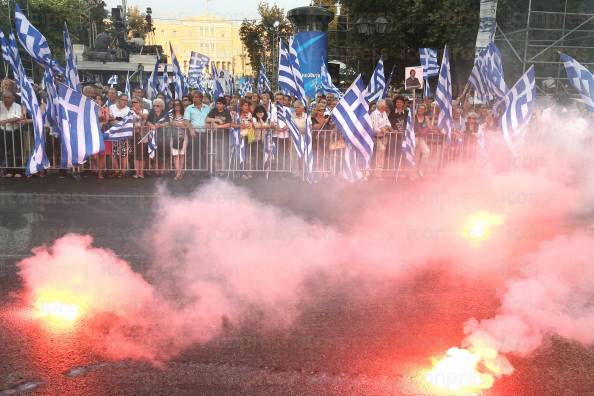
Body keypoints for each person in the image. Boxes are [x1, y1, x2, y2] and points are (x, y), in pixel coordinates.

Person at [184, 92, 210, 170]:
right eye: (193, 97)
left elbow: (210, 118)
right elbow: (186, 121)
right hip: (194, 133)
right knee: (194, 152)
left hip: (205, 133)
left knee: (205, 152)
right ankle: (195, 170)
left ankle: (205, 169)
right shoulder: (189, 108)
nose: (194, 99)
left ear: (201, 98)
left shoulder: (207, 107)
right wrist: (191, 130)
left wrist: (209, 123)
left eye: (196, 97)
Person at [0, 91, 24, 177]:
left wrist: (6, 121)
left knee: (17, 151)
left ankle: (18, 171)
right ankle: (8, 170)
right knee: (5, 151)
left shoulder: (17, 106)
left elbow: (19, 117)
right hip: (3, 132)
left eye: (8, 97)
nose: (6, 99)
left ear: (12, 98)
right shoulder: (0, 105)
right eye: (4, 97)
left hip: (15, 131)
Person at [206, 97, 232, 173]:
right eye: (217, 103)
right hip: (214, 136)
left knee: (223, 154)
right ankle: (216, 171)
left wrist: (218, 126)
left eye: (220, 103)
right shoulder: (213, 111)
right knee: (216, 154)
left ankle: (222, 171)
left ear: (223, 105)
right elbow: (207, 119)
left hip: (224, 137)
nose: (218, 105)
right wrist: (216, 120)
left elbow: (229, 124)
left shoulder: (226, 112)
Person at [109, 93, 131, 177]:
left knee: (124, 153)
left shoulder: (128, 109)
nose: (125, 102)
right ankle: (116, 171)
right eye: (123, 99)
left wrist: (116, 121)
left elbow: (127, 122)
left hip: (124, 134)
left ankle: (123, 172)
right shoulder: (111, 107)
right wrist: (119, 122)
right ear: (119, 99)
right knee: (114, 153)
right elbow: (110, 120)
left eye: (126, 100)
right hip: (114, 134)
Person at [147, 98, 170, 176]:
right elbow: (148, 121)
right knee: (155, 153)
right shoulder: (152, 113)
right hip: (153, 136)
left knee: (162, 153)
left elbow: (167, 123)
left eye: (157, 106)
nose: (155, 107)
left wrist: (160, 125)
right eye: (154, 106)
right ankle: (156, 169)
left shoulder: (165, 113)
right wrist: (152, 125)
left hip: (163, 136)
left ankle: (162, 169)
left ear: (161, 106)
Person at [370, 99, 392, 179]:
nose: (385, 107)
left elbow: (388, 123)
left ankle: (379, 173)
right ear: (380, 106)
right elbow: (374, 128)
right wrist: (381, 129)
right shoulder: (374, 114)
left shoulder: (384, 113)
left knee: (381, 155)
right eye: (384, 106)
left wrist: (385, 128)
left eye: (385, 106)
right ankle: (375, 173)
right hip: (377, 137)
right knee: (380, 152)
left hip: (384, 137)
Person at [169, 99, 188, 180]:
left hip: (184, 137)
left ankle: (179, 172)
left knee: (182, 155)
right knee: (175, 155)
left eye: (178, 105)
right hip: (173, 137)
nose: (177, 106)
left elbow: (186, 125)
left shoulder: (185, 115)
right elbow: (171, 123)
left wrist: (178, 124)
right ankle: (178, 173)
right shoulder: (171, 115)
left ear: (181, 106)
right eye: (175, 105)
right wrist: (181, 124)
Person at [131, 98, 148, 178]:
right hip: (134, 134)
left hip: (143, 135)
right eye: (132, 102)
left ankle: (141, 173)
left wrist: (138, 112)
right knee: (136, 155)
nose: (134, 103)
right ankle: (137, 173)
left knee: (142, 155)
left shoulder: (145, 110)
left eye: (136, 102)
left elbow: (146, 117)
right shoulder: (130, 112)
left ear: (140, 103)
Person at [94, 95, 110, 179]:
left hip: (103, 133)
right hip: (94, 133)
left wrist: (100, 111)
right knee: (94, 155)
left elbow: (105, 120)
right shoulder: (91, 109)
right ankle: (98, 168)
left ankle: (100, 172)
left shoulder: (105, 109)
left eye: (99, 99)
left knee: (102, 155)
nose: (97, 100)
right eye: (96, 99)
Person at [414, 103, 431, 176]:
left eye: (422, 109)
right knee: (414, 153)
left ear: (424, 110)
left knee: (426, 152)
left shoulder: (426, 118)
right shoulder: (413, 117)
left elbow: (430, 127)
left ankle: (420, 169)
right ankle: (411, 169)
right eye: (419, 108)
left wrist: (425, 129)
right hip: (414, 137)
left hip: (421, 138)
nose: (420, 110)